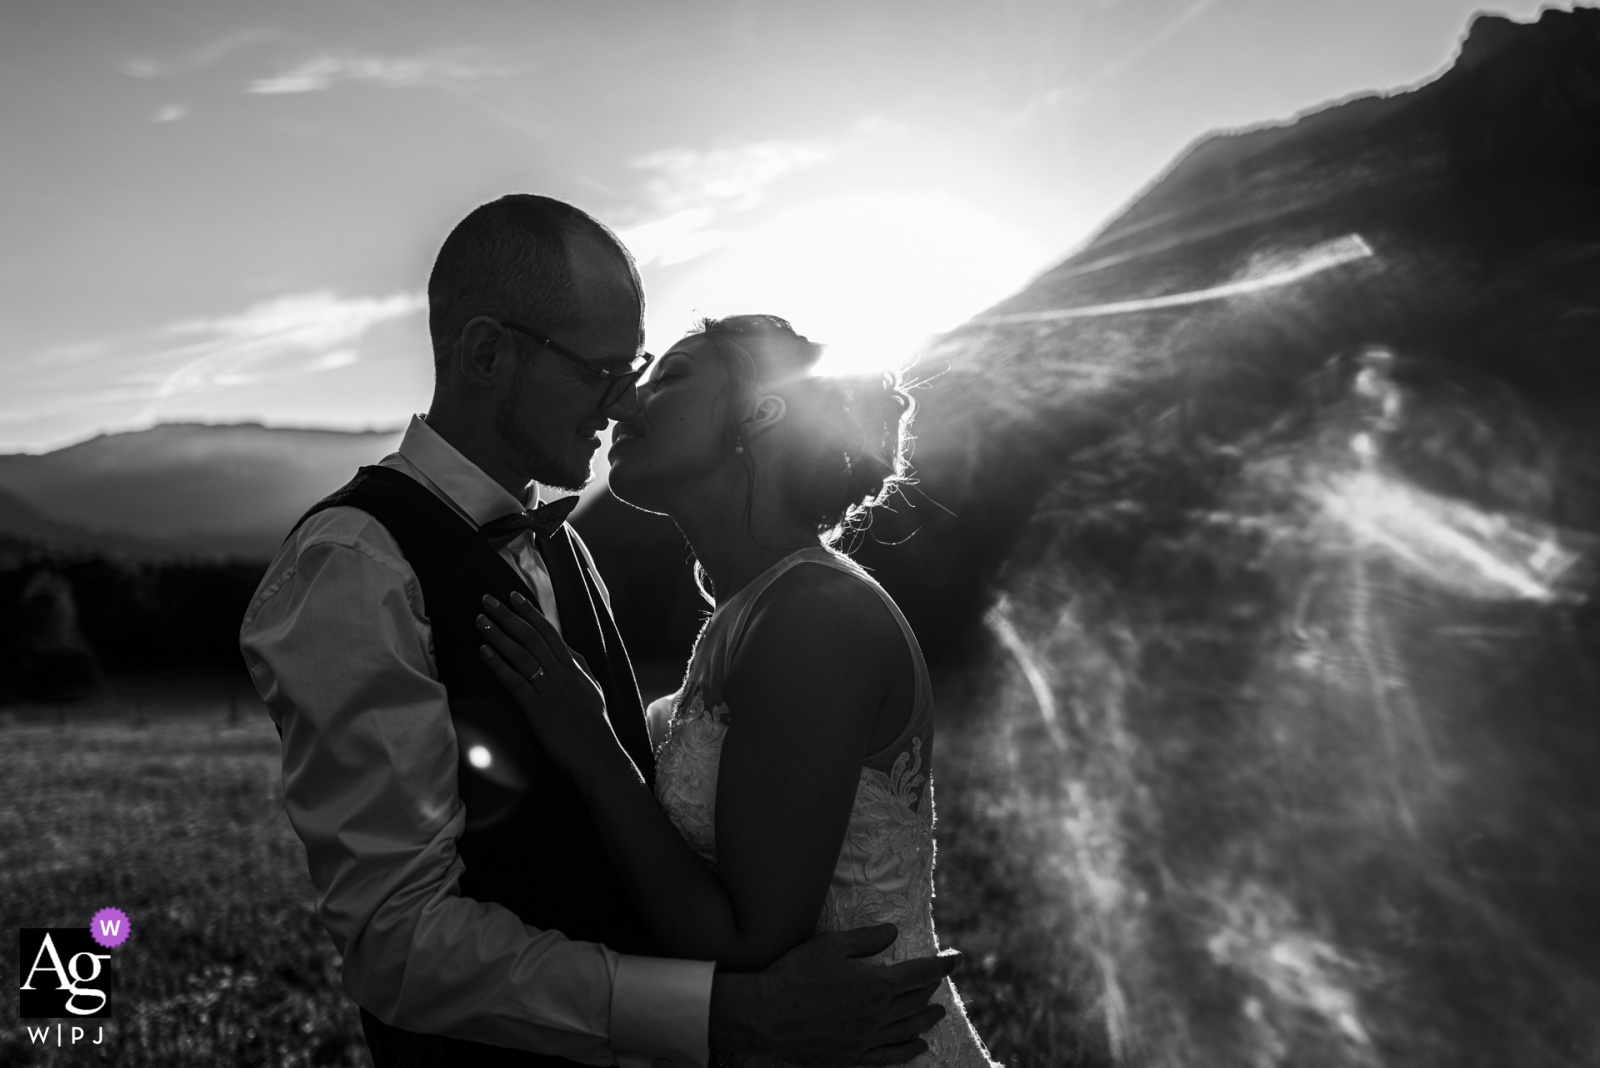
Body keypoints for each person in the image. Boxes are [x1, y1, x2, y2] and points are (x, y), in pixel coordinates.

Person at [239, 196, 958, 1068]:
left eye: (644, 369)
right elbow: (398, 942)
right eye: (600, 370)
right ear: (486, 354)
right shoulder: (355, 562)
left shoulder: (568, 552)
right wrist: (712, 1017)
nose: (623, 401)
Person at [475, 314, 997, 1066]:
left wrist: (595, 751)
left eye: (672, 378)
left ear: (762, 410)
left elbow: (747, 945)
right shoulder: (749, 609)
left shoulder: (816, 617)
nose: (624, 404)